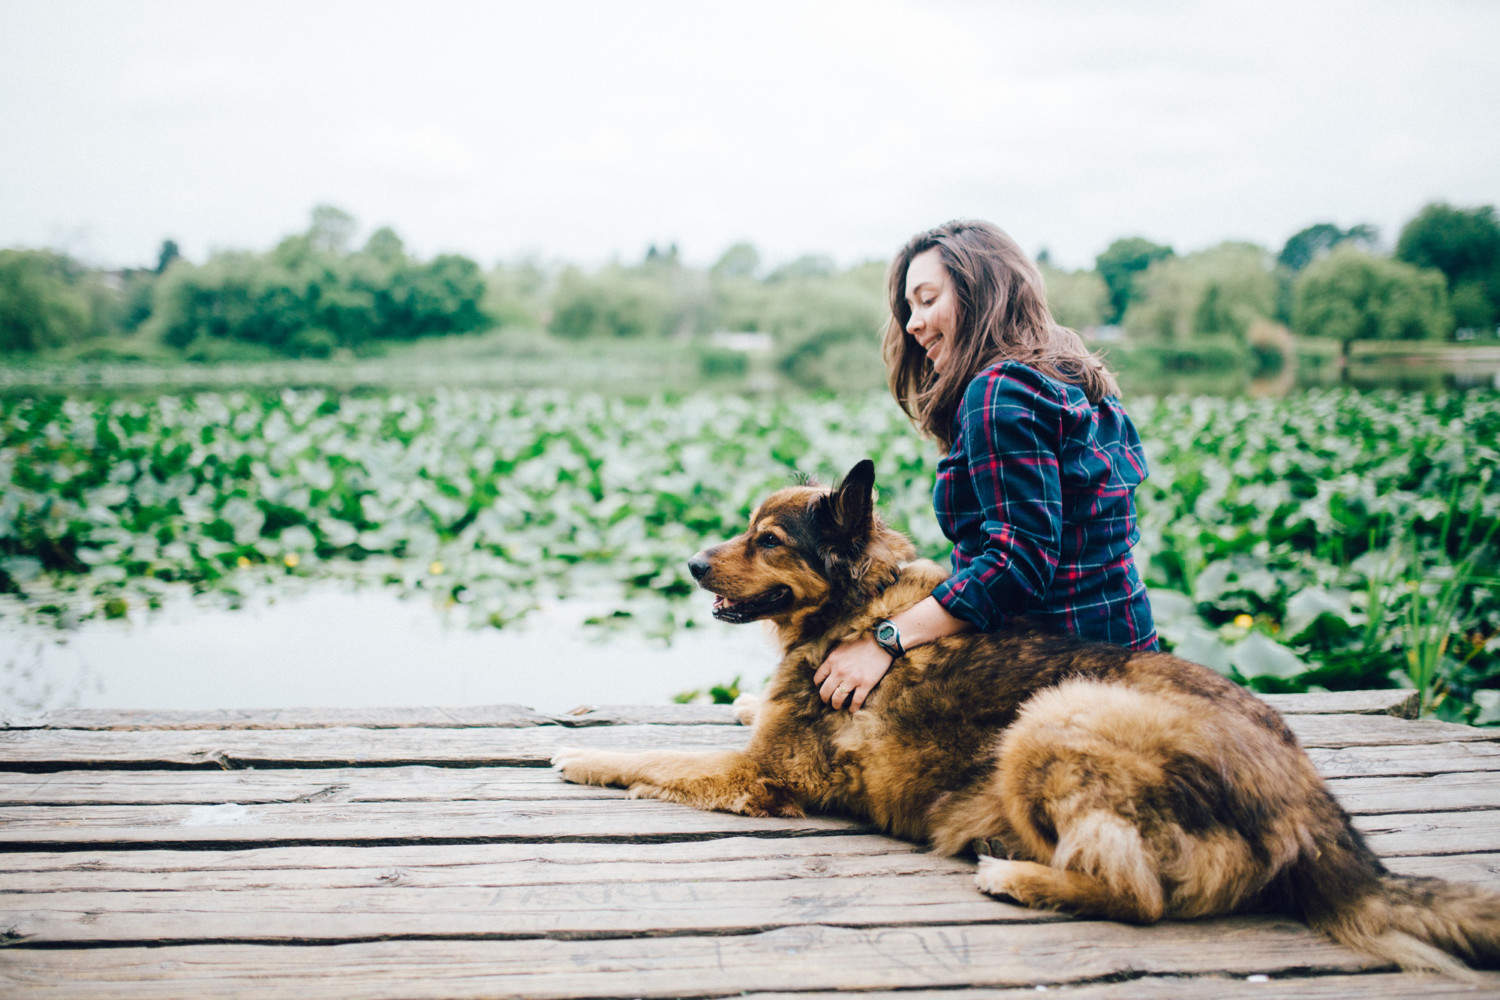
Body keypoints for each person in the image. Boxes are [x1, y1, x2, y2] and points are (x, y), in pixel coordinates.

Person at [815, 219, 1158, 712]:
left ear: (981, 294)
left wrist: (884, 639)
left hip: (1067, 685)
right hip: (1131, 659)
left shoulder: (998, 392)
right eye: (909, 308)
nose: (912, 324)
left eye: (928, 300)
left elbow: (1015, 565)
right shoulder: (1067, 373)